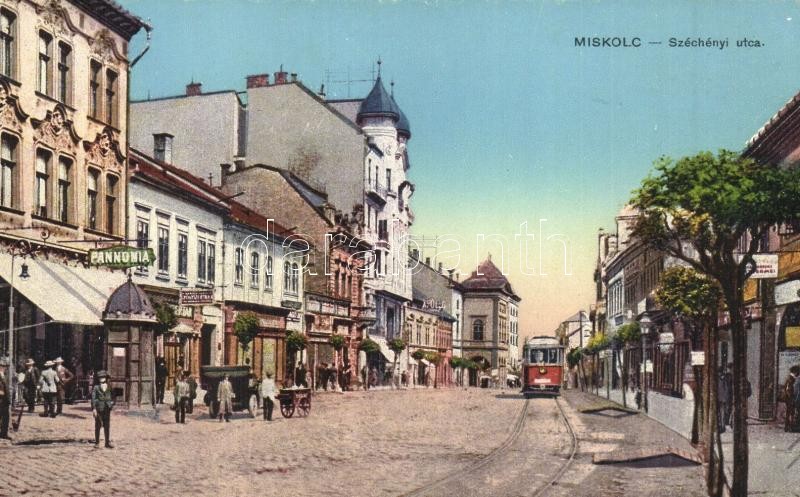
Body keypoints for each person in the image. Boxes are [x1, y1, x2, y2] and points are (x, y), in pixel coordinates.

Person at [91, 371, 114, 448]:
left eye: (103, 377)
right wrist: (94, 408)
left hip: (107, 408)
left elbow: (113, 396)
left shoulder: (109, 386)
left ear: (106, 378)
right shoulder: (96, 387)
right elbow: (93, 398)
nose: (102, 379)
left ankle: (107, 443)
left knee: (107, 426)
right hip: (99, 408)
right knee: (98, 425)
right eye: (100, 377)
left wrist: (112, 403)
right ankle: (97, 442)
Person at [784, 366, 800, 432]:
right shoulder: (791, 378)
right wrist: (792, 398)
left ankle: (788, 427)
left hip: (789, 399)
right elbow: (788, 389)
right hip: (790, 399)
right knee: (791, 413)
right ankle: (790, 428)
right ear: (795, 372)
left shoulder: (791, 378)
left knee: (789, 413)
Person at [718, 367, 733, 433]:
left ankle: (723, 426)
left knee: (724, 413)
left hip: (724, 399)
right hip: (723, 399)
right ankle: (723, 426)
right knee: (723, 413)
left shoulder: (726, 378)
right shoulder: (725, 378)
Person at [0, 358, 11, 441]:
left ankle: (4, 434)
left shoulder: (4, 375)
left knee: (5, 417)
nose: (4, 368)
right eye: (2, 366)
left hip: (5, 399)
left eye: (5, 366)